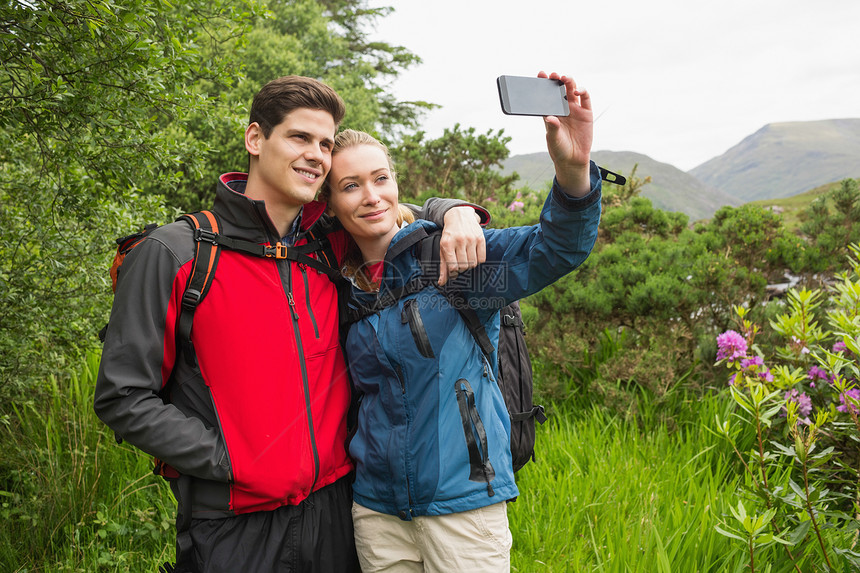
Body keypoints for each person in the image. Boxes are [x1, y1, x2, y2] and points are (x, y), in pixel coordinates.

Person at [93, 75, 488, 573]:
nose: (316, 155)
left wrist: (454, 212)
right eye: (299, 138)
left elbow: (383, 207)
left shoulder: (328, 246)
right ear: (255, 140)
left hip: (336, 514)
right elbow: (122, 395)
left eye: (325, 144)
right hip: (232, 525)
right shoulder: (178, 253)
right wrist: (230, 461)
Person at [320, 71, 602, 572]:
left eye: (380, 178)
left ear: (395, 182)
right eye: (350, 186)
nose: (371, 196)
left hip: (464, 506)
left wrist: (572, 171)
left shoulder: (450, 262)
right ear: (331, 203)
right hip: (376, 512)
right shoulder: (337, 285)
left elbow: (554, 249)